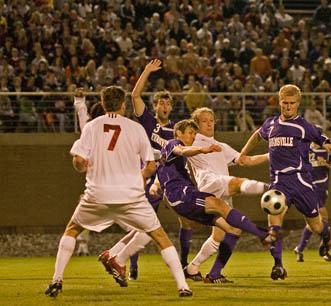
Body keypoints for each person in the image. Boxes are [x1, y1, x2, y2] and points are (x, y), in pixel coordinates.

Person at [44, 86, 192, 298]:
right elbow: (151, 166)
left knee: (72, 230)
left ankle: (57, 280)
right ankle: (183, 286)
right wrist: (140, 177)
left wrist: (83, 164)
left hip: (97, 195)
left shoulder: (91, 127)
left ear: (103, 104)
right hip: (130, 196)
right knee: (159, 237)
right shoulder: (135, 128)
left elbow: (78, 162)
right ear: (124, 104)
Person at [238, 84, 331, 280]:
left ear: (298, 104)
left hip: (302, 183)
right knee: (274, 222)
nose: (288, 107)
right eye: (284, 103)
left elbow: (329, 146)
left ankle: (326, 238)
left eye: (292, 104)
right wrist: (243, 154)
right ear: (279, 102)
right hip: (279, 183)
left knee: (316, 226)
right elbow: (257, 135)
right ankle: (278, 266)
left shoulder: (305, 127)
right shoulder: (270, 124)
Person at [98, 59, 195, 282]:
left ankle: (183, 262)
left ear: (171, 107)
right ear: (155, 105)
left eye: (167, 104)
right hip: (149, 174)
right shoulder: (148, 122)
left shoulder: (177, 130)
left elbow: (185, 153)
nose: (164, 107)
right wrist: (147, 71)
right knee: (143, 223)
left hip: (172, 178)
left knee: (186, 220)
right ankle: (130, 265)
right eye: (160, 103)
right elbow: (134, 96)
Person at [150, 119, 275, 267]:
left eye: (195, 134)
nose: (193, 137)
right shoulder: (173, 143)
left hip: (185, 196)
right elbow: (181, 150)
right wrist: (202, 150)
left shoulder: (177, 157)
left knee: (233, 229)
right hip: (182, 196)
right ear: (178, 133)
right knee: (219, 204)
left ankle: (197, 270)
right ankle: (263, 233)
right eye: (190, 133)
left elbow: (162, 168)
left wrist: (156, 184)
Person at [184, 107, 268, 283]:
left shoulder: (222, 147)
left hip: (221, 191)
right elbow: (176, 149)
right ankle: (269, 189)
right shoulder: (193, 141)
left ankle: (196, 269)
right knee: (237, 183)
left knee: (229, 232)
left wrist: (270, 154)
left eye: (211, 120)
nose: (208, 123)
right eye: (204, 120)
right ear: (196, 125)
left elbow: (245, 160)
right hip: (211, 184)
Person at [294, 141, 331, 262]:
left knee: (314, 222)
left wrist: (325, 163)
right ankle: (326, 245)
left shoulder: (326, 151)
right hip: (309, 188)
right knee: (323, 214)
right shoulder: (304, 150)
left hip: (322, 189)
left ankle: (299, 249)